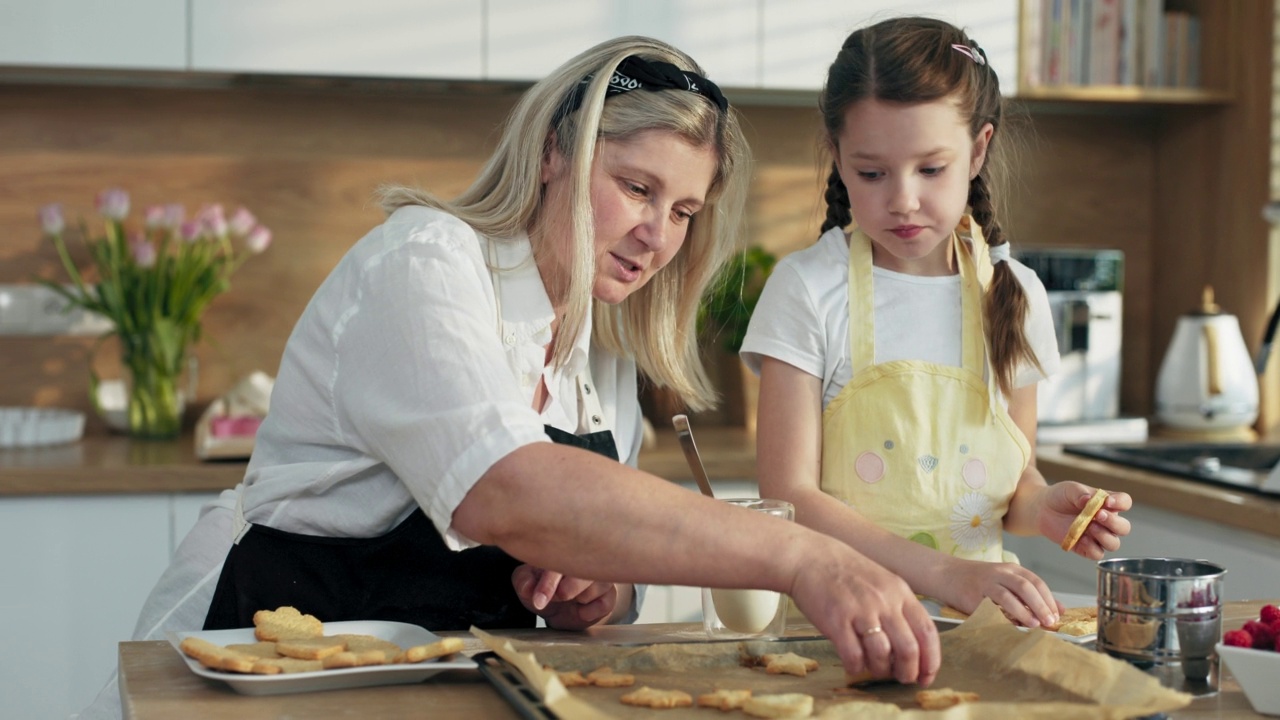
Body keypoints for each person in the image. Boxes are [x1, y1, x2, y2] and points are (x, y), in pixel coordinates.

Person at [80, 35, 942, 719]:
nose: (658, 235)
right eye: (637, 187)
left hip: (445, 686)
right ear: (552, 155)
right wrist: (801, 555)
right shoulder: (427, 261)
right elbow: (509, 490)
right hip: (259, 673)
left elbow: (591, 531)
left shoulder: (600, 345)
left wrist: (598, 590)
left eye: (683, 210)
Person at [742, 17, 1134, 629]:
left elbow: (1013, 483)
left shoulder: (1016, 296)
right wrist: (947, 575)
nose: (902, 199)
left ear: (978, 149)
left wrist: (1043, 508)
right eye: (872, 173)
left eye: (930, 169)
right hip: (837, 628)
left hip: (980, 630)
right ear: (837, 156)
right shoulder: (807, 289)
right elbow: (790, 497)